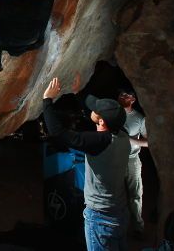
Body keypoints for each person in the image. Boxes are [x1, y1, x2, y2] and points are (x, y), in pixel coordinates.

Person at [43, 74, 131, 251]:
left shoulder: (100, 142)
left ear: (101, 121)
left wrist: (47, 100)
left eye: (96, 112)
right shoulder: (122, 136)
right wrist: (78, 92)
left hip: (100, 217)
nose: (91, 110)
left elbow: (58, 133)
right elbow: (96, 114)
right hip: (120, 212)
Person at [117, 89, 148, 237]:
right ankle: (117, 226)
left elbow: (149, 142)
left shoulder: (139, 118)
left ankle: (138, 228)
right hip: (114, 160)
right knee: (115, 194)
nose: (122, 97)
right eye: (121, 95)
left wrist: (131, 141)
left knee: (135, 195)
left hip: (131, 160)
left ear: (133, 99)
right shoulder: (114, 114)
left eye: (126, 95)